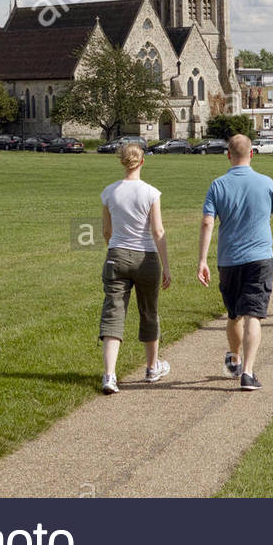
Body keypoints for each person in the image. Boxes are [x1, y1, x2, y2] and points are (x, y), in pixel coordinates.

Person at [197, 133, 273, 391]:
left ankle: (235, 357)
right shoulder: (266, 183)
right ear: (252, 154)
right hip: (259, 258)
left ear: (228, 155)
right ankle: (247, 373)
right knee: (254, 315)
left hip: (228, 259)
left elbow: (207, 222)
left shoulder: (217, 185)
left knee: (234, 314)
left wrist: (202, 260)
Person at [98, 143, 172, 395]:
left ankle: (109, 375)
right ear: (142, 162)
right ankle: (152, 368)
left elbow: (106, 231)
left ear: (121, 162)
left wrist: (115, 249)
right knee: (149, 311)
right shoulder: (151, 193)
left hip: (116, 255)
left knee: (113, 313)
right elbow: (158, 231)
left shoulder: (109, 192)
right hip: (147, 258)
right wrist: (166, 266)